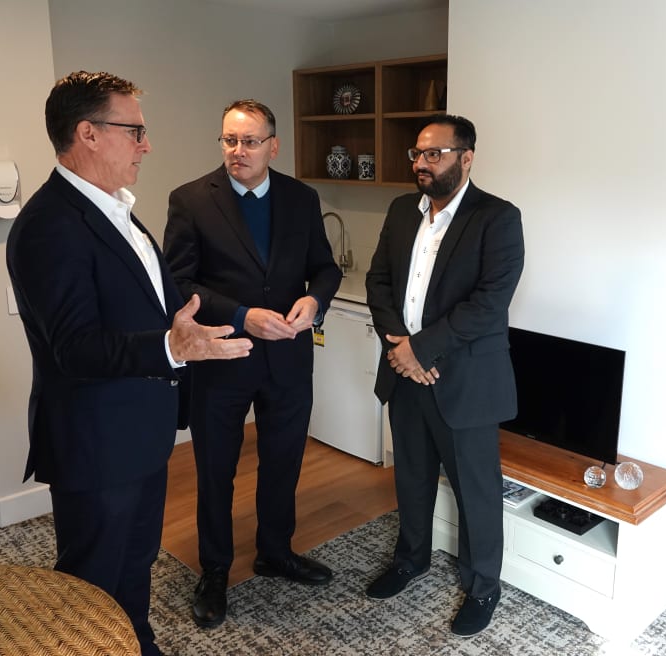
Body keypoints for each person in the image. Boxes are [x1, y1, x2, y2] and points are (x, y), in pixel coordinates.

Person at [6, 71, 253, 656]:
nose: (147, 145)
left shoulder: (120, 213)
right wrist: (172, 347)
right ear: (87, 133)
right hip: (95, 442)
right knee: (91, 582)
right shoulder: (48, 226)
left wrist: (230, 319)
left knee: (136, 563)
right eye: (135, 131)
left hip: (140, 432)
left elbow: (165, 304)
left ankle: (137, 644)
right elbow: (75, 347)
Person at [163, 99, 342, 629]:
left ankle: (275, 551)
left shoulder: (301, 198)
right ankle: (215, 568)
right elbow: (179, 283)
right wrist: (243, 315)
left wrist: (316, 302)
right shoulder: (191, 200)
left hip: (288, 357)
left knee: (283, 461)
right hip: (222, 357)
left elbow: (324, 269)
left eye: (248, 141)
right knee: (216, 469)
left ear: (272, 145)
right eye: (228, 141)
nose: (237, 151)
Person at [363, 114, 525, 636]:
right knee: (409, 476)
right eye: (417, 154)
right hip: (404, 372)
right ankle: (411, 558)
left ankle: (483, 586)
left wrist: (421, 350)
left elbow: (488, 302)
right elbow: (378, 279)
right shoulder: (400, 211)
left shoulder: (498, 218)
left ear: (466, 157)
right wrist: (399, 345)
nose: (422, 164)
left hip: (466, 383)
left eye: (435, 154)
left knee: (475, 491)